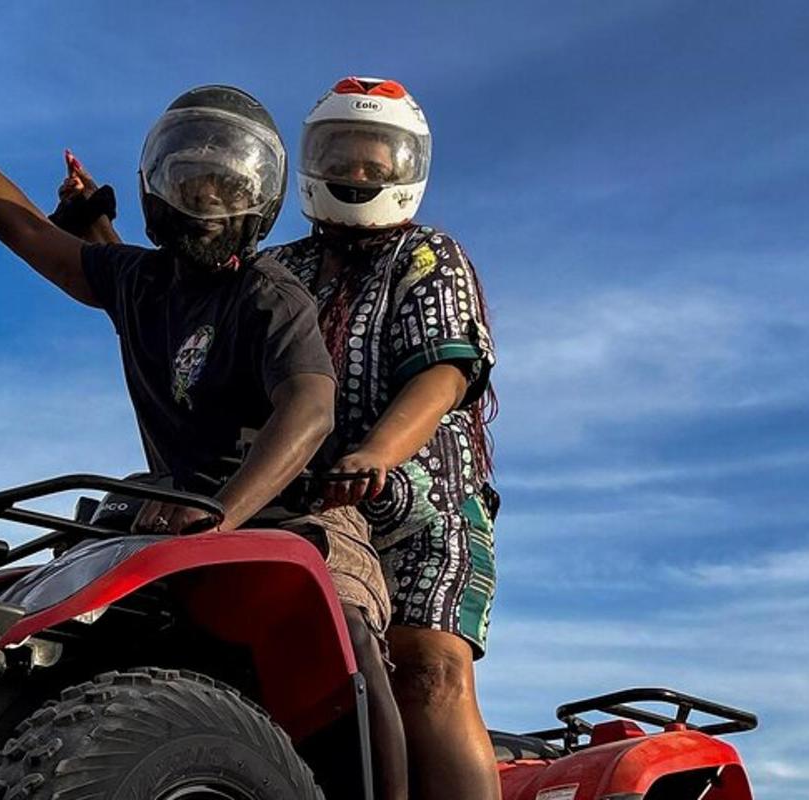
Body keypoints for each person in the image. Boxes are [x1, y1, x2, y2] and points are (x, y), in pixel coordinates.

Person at [0, 45, 407, 800]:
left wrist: (222, 514)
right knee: (40, 623)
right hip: (166, 512)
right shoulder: (140, 283)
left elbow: (311, 407)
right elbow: (23, 228)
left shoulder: (271, 295)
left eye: (225, 185)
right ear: (159, 187)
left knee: (347, 623)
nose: (205, 197)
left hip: (294, 513)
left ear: (255, 198)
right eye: (189, 179)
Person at [56, 75, 501, 800]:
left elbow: (444, 376)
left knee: (430, 670)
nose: (359, 173)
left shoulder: (426, 258)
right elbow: (168, 288)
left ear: (406, 168)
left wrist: (376, 454)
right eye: (344, 155)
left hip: (421, 508)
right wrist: (95, 229)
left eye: (376, 160)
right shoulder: (280, 266)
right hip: (295, 499)